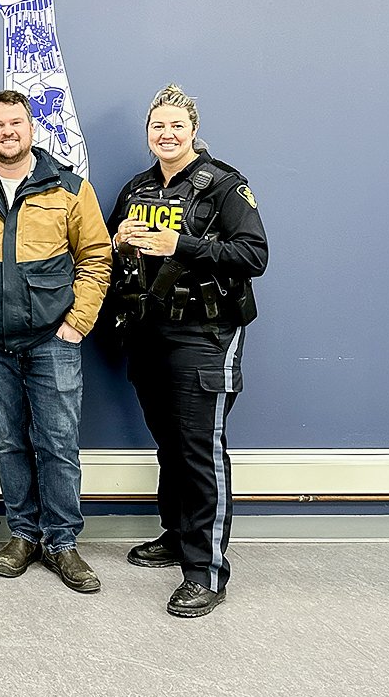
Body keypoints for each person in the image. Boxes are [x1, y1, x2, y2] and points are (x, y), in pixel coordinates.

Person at [0, 89, 111, 592]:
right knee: (9, 442)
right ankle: (24, 533)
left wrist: (77, 323)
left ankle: (61, 541)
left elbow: (97, 258)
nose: (7, 132)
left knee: (57, 442)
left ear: (31, 128)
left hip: (53, 339)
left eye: (16, 123)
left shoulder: (71, 189)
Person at [106, 84, 268, 618]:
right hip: (149, 331)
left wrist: (184, 245)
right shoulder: (137, 188)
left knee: (200, 450)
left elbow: (253, 254)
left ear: (193, 131)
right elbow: (106, 254)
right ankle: (176, 537)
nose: (166, 135)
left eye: (176, 126)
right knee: (171, 445)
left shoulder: (224, 185)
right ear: (147, 133)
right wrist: (118, 241)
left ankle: (206, 572)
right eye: (157, 127)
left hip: (207, 334)